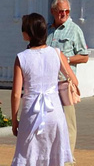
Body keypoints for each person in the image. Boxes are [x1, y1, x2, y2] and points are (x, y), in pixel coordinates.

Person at [11, 12, 76, 166]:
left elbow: (15, 94)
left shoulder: (22, 57)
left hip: (31, 112)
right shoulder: (56, 53)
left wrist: (14, 120)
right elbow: (74, 79)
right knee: (53, 158)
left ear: (27, 34)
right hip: (54, 112)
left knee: (28, 156)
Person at [46, 0, 86, 153]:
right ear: (53, 11)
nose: (64, 14)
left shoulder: (74, 30)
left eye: (67, 11)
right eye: (61, 11)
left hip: (65, 84)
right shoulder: (48, 30)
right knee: (51, 122)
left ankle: (68, 160)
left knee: (68, 123)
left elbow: (84, 56)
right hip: (48, 84)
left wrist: (65, 59)